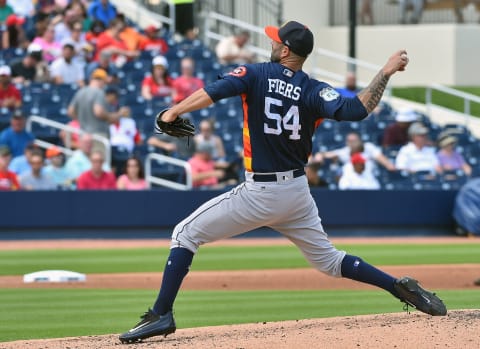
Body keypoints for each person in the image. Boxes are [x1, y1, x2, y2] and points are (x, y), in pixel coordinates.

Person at [119, 21, 446, 344]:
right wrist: (385, 72)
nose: (272, 43)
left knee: (184, 233)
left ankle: (161, 314)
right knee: (329, 260)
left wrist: (172, 112)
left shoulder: (256, 73)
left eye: (276, 40)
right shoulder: (314, 89)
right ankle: (397, 286)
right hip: (296, 193)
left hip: (260, 192)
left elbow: (215, 91)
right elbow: (357, 109)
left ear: (285, 49)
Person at [67, 69, 129, 148]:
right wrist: (112, 116)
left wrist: (83, 120)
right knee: (99, 159)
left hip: (83, 135)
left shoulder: (80, 92)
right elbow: (98, 112)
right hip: (98, 135)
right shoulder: (99, 92)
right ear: (102, 80)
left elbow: (70, 111)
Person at [316, 131, 395, 173]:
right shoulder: (345, 151)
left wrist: (388, 165)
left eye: (355, 140)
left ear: (360, 140)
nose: (353, 143)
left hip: (369, 176)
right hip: (353, 179)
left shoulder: (368, 147)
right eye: (350, 141)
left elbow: (380, 157)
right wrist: (319, 155)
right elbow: (326, 154)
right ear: (347, 143)